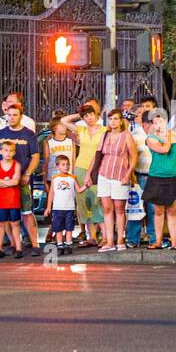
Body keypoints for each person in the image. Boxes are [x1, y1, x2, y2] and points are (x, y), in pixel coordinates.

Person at [0, 102, 42, 256]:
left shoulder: (29, 134)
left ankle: (35, 244)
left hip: (22, 181)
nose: (11, 118)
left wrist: (27, 174)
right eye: (9, 115)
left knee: (27, 212)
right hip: (2, 183)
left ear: (21, 116)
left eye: (15, 115)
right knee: (5, 216)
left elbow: (35, 157)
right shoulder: (0, 134)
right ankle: (14, 243)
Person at [88, 108, 136, 251]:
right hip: (104, 173)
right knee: (107, 208)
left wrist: (128, 174)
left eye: (116, 118)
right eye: (111, 119)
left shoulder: (126, 135)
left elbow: (134, 157)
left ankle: (120, 239)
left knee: (119, 208)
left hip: (120, 173)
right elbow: (96, 155)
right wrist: (89, 174)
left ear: (121, 120)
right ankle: (109, 241)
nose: (113, 121)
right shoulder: (105, 135)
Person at [142, 111, 176, 249]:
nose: (158, 124)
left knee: (172, 211)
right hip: (157, 177)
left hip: (174, 176)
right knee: (158, 211)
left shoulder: (175, 135)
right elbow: (164, 149)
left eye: (161, 121)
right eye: (155, 122)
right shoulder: (151, 138)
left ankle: (174, 242)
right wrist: (169, 135)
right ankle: (158, 241)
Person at [68, 103, 105, 248]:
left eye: (91, 114)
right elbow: (64, 121)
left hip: (97, 168)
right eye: (86, 116)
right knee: (84, 202)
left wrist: (86, 111)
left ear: (96, 115)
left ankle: (105, 237)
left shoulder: (103, 130)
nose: (89, 118)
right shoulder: (81, 129)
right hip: (80, 167)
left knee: (99, 201)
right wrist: (79, 113)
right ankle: (92, 237)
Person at [126, 108, 157, 247]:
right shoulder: (134, 135)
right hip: (138, 176)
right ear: (145, 123)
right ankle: (133, 239)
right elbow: (129, 156)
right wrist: (131, 176)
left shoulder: (159, 135)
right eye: (152, 123)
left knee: (153, 209)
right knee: (136, 208)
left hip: (155, 176)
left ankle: (154, 238)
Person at [0, 140, 25, 259]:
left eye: (11, 151)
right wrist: (7, 182)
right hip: (0, 199)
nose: (8, 153)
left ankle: (19, 248)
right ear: (0, 152)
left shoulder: (17, 165)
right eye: (5, 150)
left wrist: (2, 182)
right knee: (0, 223)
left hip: (13, 198)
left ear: (14, 152)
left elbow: (15, 181)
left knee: (15, 223)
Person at [44, 153, 80, 254]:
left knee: (69, 228)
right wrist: (48, 207)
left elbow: (79, 190)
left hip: (69, 208)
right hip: (57, 208)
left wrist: (86, 186)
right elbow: (51, 193)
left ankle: (68, 244)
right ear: (57, 166)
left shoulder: (72, 178)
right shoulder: (55, 178)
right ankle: (60, 245)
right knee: (58, 228)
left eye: (67, 164)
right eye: (63, 165)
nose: (66, 167)